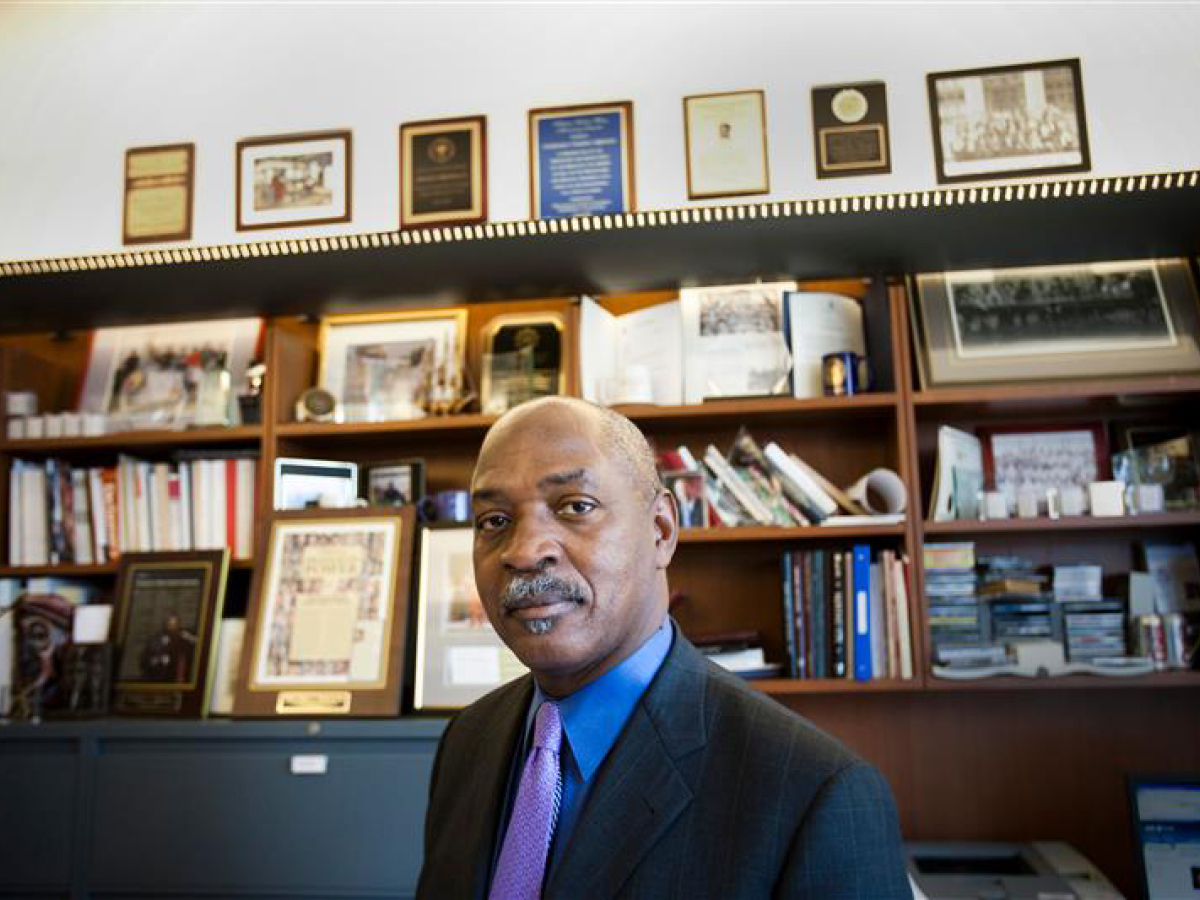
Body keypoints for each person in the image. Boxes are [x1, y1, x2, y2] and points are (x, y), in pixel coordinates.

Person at [417, 398, 909, 899]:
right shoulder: (466, 740)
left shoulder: (816, 793)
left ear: (661, 532)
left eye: (575, 507)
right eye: (494, 520)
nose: (523, 551)